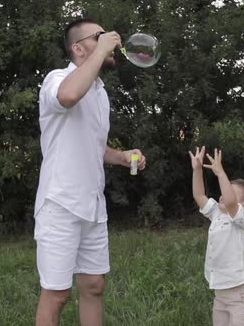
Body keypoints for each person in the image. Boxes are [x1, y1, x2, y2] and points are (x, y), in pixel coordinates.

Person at [34, 18, 146, 326]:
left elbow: (93, 145)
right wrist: (101, 52)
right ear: (78, 47)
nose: (111, 38)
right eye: (100, 36)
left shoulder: (100, 92)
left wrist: (120, 156)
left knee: (94, 285)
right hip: (60, 204)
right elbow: (68, 97)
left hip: (92, 205)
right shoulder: (57, 79)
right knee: (56, 294)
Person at [189, 146, 244, 326]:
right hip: (220, 294)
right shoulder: (217, 214)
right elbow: (199, 195)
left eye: (229, 190)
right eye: (223, 190)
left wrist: (221, 173)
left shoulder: (242, 220)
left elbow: (230, 202)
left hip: (240, 295)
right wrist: (197, 169)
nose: (222, 195)